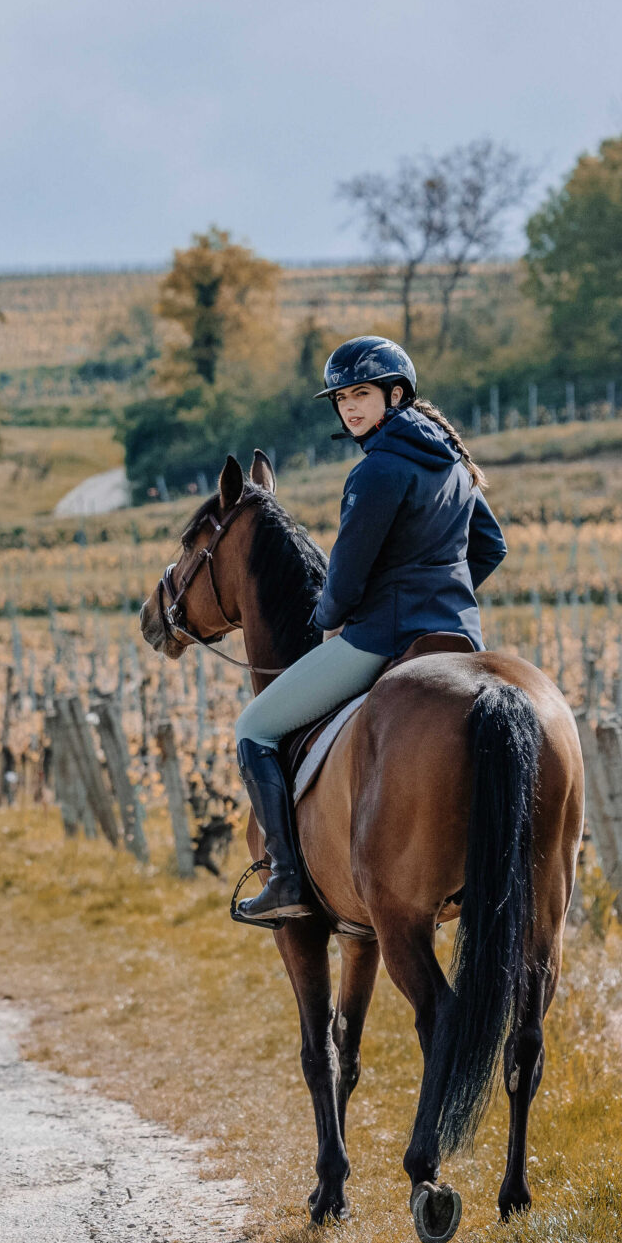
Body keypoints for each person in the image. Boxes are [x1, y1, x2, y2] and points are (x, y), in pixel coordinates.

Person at [229, 335, 506, 926]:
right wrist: (442, 595)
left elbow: (347, 578)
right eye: (342, 398)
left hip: (383, 635)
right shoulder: (453, 463)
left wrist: (330, 621)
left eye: (362, 394)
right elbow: (490, 547)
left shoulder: (374, 471)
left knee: (253, 727)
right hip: (460, 635)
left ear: (396, 394)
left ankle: (285, 880)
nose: (350, 408)